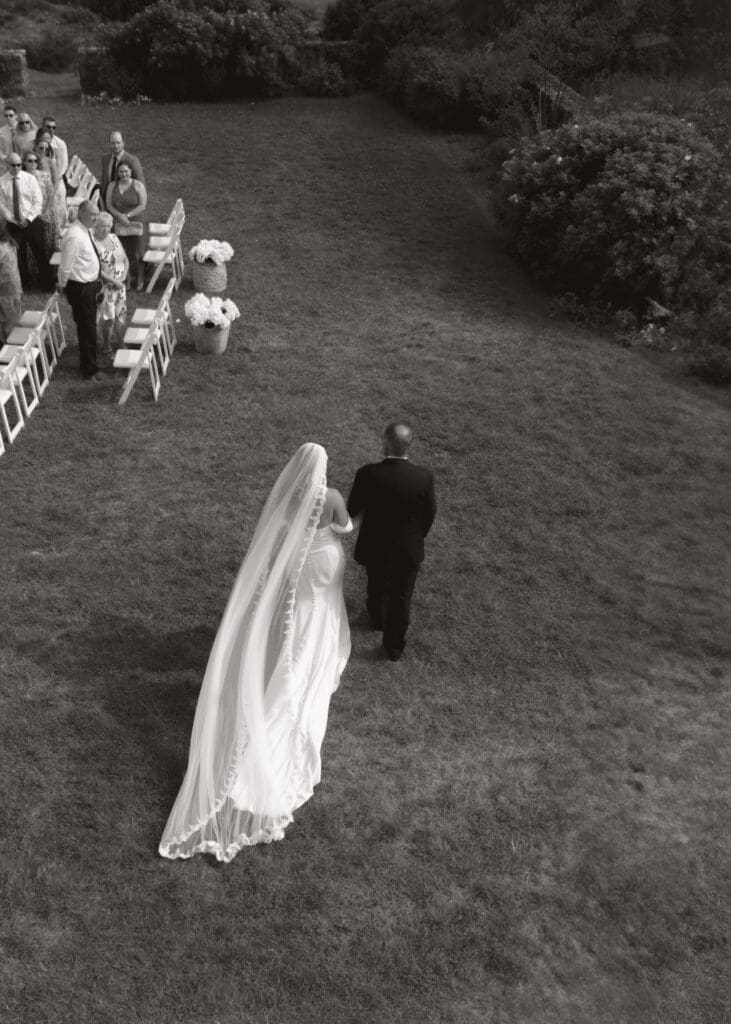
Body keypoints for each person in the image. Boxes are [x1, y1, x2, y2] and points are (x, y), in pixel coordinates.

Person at [160, 443, 352, 861]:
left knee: (305, 614)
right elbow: (345, 526)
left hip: (302, 565)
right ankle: (306, 668)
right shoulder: (332, 496)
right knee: (320, 611)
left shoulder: (291, 498)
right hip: (325, 560)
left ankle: (302, 651)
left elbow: (282, 531)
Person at [348, 423, 436, 661]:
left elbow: (353, 508)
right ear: (409, 445)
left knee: (376, 584)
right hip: (407, 548)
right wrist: (415, 537)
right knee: (402, 597)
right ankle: (393, 647)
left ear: (385, 443)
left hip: (375, 544)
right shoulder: (424, 477)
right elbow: (429, 514)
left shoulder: (367, 474)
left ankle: (378, 619)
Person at [57, 200, 103, 382]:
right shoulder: (75, 236)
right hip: (81, 289)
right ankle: (89, 370)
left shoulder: (85, 230)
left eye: (97, 214)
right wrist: (62, 285)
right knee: (87, 329)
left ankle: (89, 363)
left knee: (88, 326)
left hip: (88, 286)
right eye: (93, 215)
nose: (96, 218)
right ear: (81, 213)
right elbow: (66, 265)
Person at [0, 152, 52, 292]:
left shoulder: (30, 179)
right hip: (13, 224)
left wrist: (28, 219)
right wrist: (13, 219)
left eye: (18, 165)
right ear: (7, 165)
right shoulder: (2, 182)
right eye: (13, 165)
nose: (16, 168)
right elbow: (1, 204)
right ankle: (25, 283)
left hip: (32, 221)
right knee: (19, 255)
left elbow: (38, 201)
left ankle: (46, 283)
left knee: (40, 252)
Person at [105, 159, 147, 290]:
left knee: (138, 252)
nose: (124, 174)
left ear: (131, 171)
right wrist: (120, 216)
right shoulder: (112, 186)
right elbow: (109, 205)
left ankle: (140, 278)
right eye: (121, 172)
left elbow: (142, 205)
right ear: (117, 173)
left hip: (135, 221)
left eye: (126, 171)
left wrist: (127, 216)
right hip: (118, 221)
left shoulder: (138, 185)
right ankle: (126, 279)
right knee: (121, 251)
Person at [93, 211, 128, 359]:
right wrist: (114, 282)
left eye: (108, 226)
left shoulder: (114, 238)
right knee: (109, 319)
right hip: (105, 289)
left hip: (119, 287)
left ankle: (121, 342)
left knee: (121, 316)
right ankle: (106, 346)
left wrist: (123, 277)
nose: (106, 229)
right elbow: (97, 269)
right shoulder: (93, 244)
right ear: (95, 226)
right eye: (102, 226)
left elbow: (125, 259)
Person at [99, 130, 144, 207]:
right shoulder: (105, 158)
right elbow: (104, 180)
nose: (116, 146)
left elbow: (140, 186)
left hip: (125, 206)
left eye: (118, 143)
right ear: (109, 144)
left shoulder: (133, 161)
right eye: (113, 143)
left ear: (123, 143)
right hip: (108, 204)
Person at [0, 214, 21, 343]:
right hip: (14, 288)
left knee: (6, 321)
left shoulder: (1, 249)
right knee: (12, 318)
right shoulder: (10, 242)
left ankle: (9, 346)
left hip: (4, 291)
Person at [40, 114, 68, 179]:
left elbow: (64, 164)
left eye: (53, 127)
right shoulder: (37, 141)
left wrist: (56, 177)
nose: (51, 129)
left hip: (57, 176)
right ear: (42, 127)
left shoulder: (61, 144)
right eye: (48, 127)